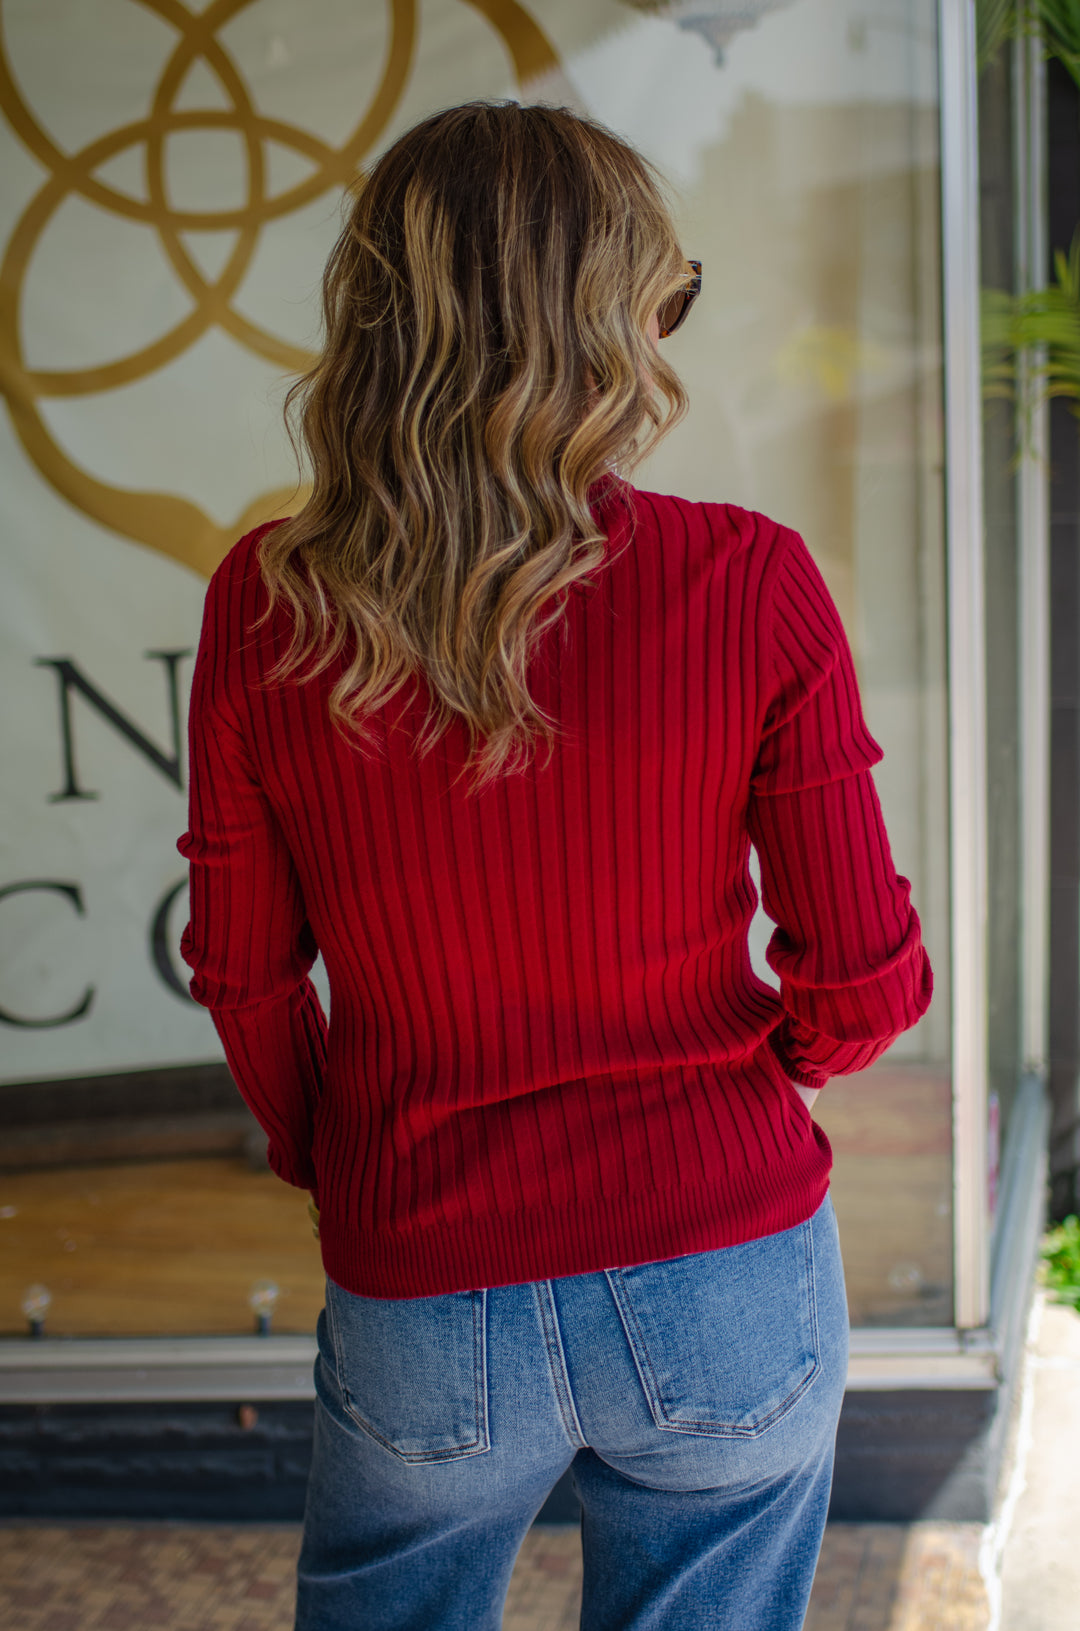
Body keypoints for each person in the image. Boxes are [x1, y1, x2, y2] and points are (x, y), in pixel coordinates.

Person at [178, 100, 932, 1631]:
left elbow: (246, 973)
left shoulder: (268, 603)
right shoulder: (749, 579)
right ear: (617, 323)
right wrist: (749, 1079)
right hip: (724, 1263)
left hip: (424, 1273)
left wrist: (348, 1151)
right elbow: (865, 978)